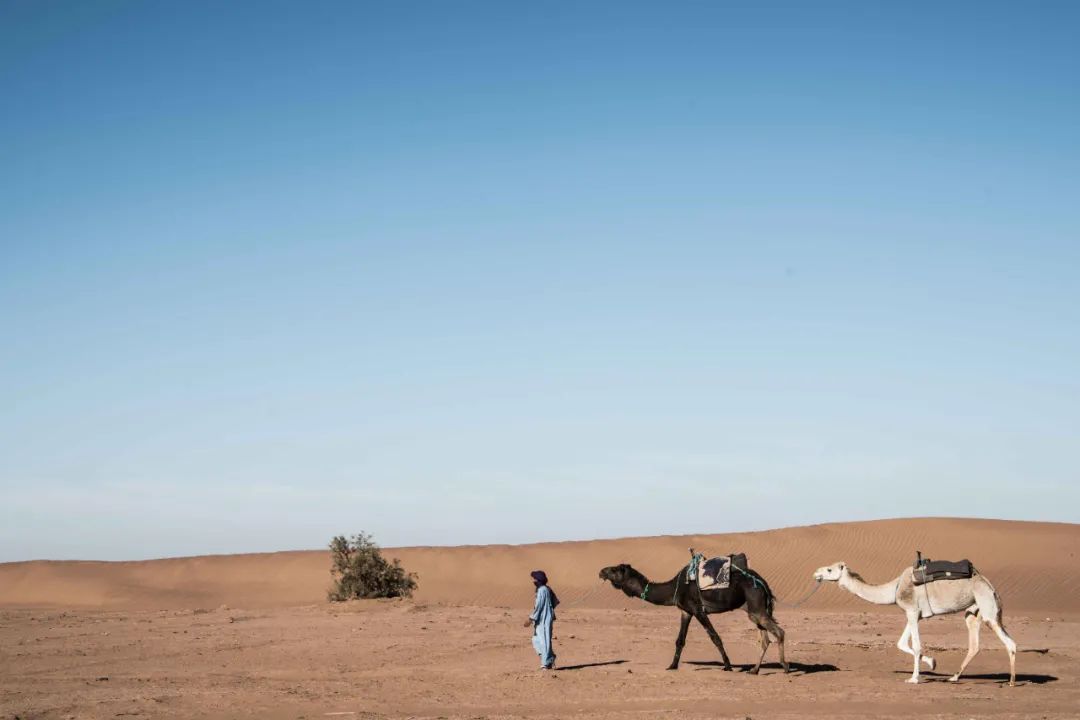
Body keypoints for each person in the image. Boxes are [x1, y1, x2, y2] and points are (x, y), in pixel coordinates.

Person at [523, 570, 559, 669]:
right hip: (541, 619)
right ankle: (549, 657)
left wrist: (530, 619)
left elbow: (539, 606)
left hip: (544, 619)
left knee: (545, 641)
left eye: (535, 579)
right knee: (536, 640)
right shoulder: (544, 589)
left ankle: (546, 664)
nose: (533, 581)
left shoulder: (543, 590)